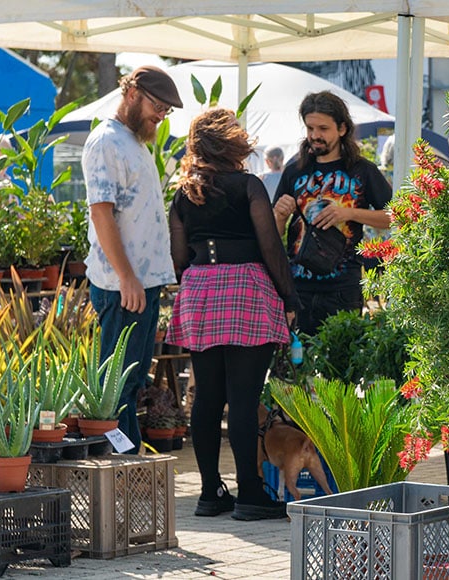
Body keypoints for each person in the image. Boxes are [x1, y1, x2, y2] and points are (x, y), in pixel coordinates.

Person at [166, 108, 300, 520]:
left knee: (207, 395)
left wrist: (200, 279)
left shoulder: (184, 193)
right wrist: (291, 299)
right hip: (247, 289)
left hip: (199, 289)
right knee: (243, 397)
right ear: (232, 143)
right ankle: (250, 495)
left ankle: (210, 493)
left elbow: (178, 257)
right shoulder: (248, 186)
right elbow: (270, 247)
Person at [81, 65, 183, 454]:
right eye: (158, 105)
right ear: (132, 94)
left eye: (167, 110)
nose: (161, 115)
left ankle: (129, 455)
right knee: (116, 382)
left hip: (139, 283)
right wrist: (126, 277)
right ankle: (120, 460)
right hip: (120, 285)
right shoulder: (106, 142)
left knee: (134, 377)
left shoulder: (133, 141)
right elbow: (101, 213)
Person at [273, 91, 392, 335]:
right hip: (298, 287)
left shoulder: (363, 171)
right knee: (296, 366)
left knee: (338, 367)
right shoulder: (294, 171)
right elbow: (272, 236)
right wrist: (279, 217)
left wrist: (349, 214)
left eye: (323, 128)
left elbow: (396, 216)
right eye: (310, 128)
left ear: (342, 129)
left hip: (343, 288)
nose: (315, 136)